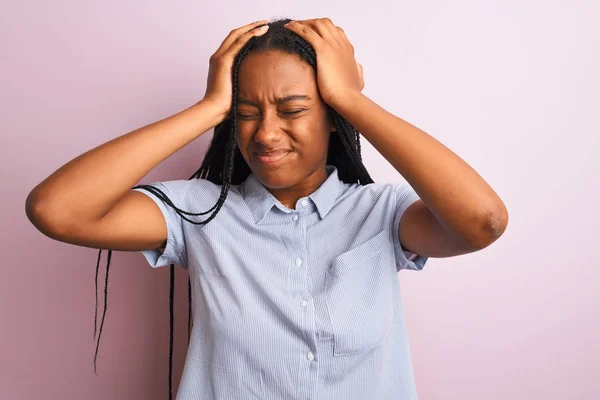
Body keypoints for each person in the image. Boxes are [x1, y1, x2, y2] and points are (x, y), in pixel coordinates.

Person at [25, 17, 508, 400]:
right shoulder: (201, 211)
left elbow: (482, 221)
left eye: (293, 110)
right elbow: (55, 209)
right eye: (247, 113)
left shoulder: (381, 213)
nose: (266, 134)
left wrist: (352, 100)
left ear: (331, 118)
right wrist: (210, 107)